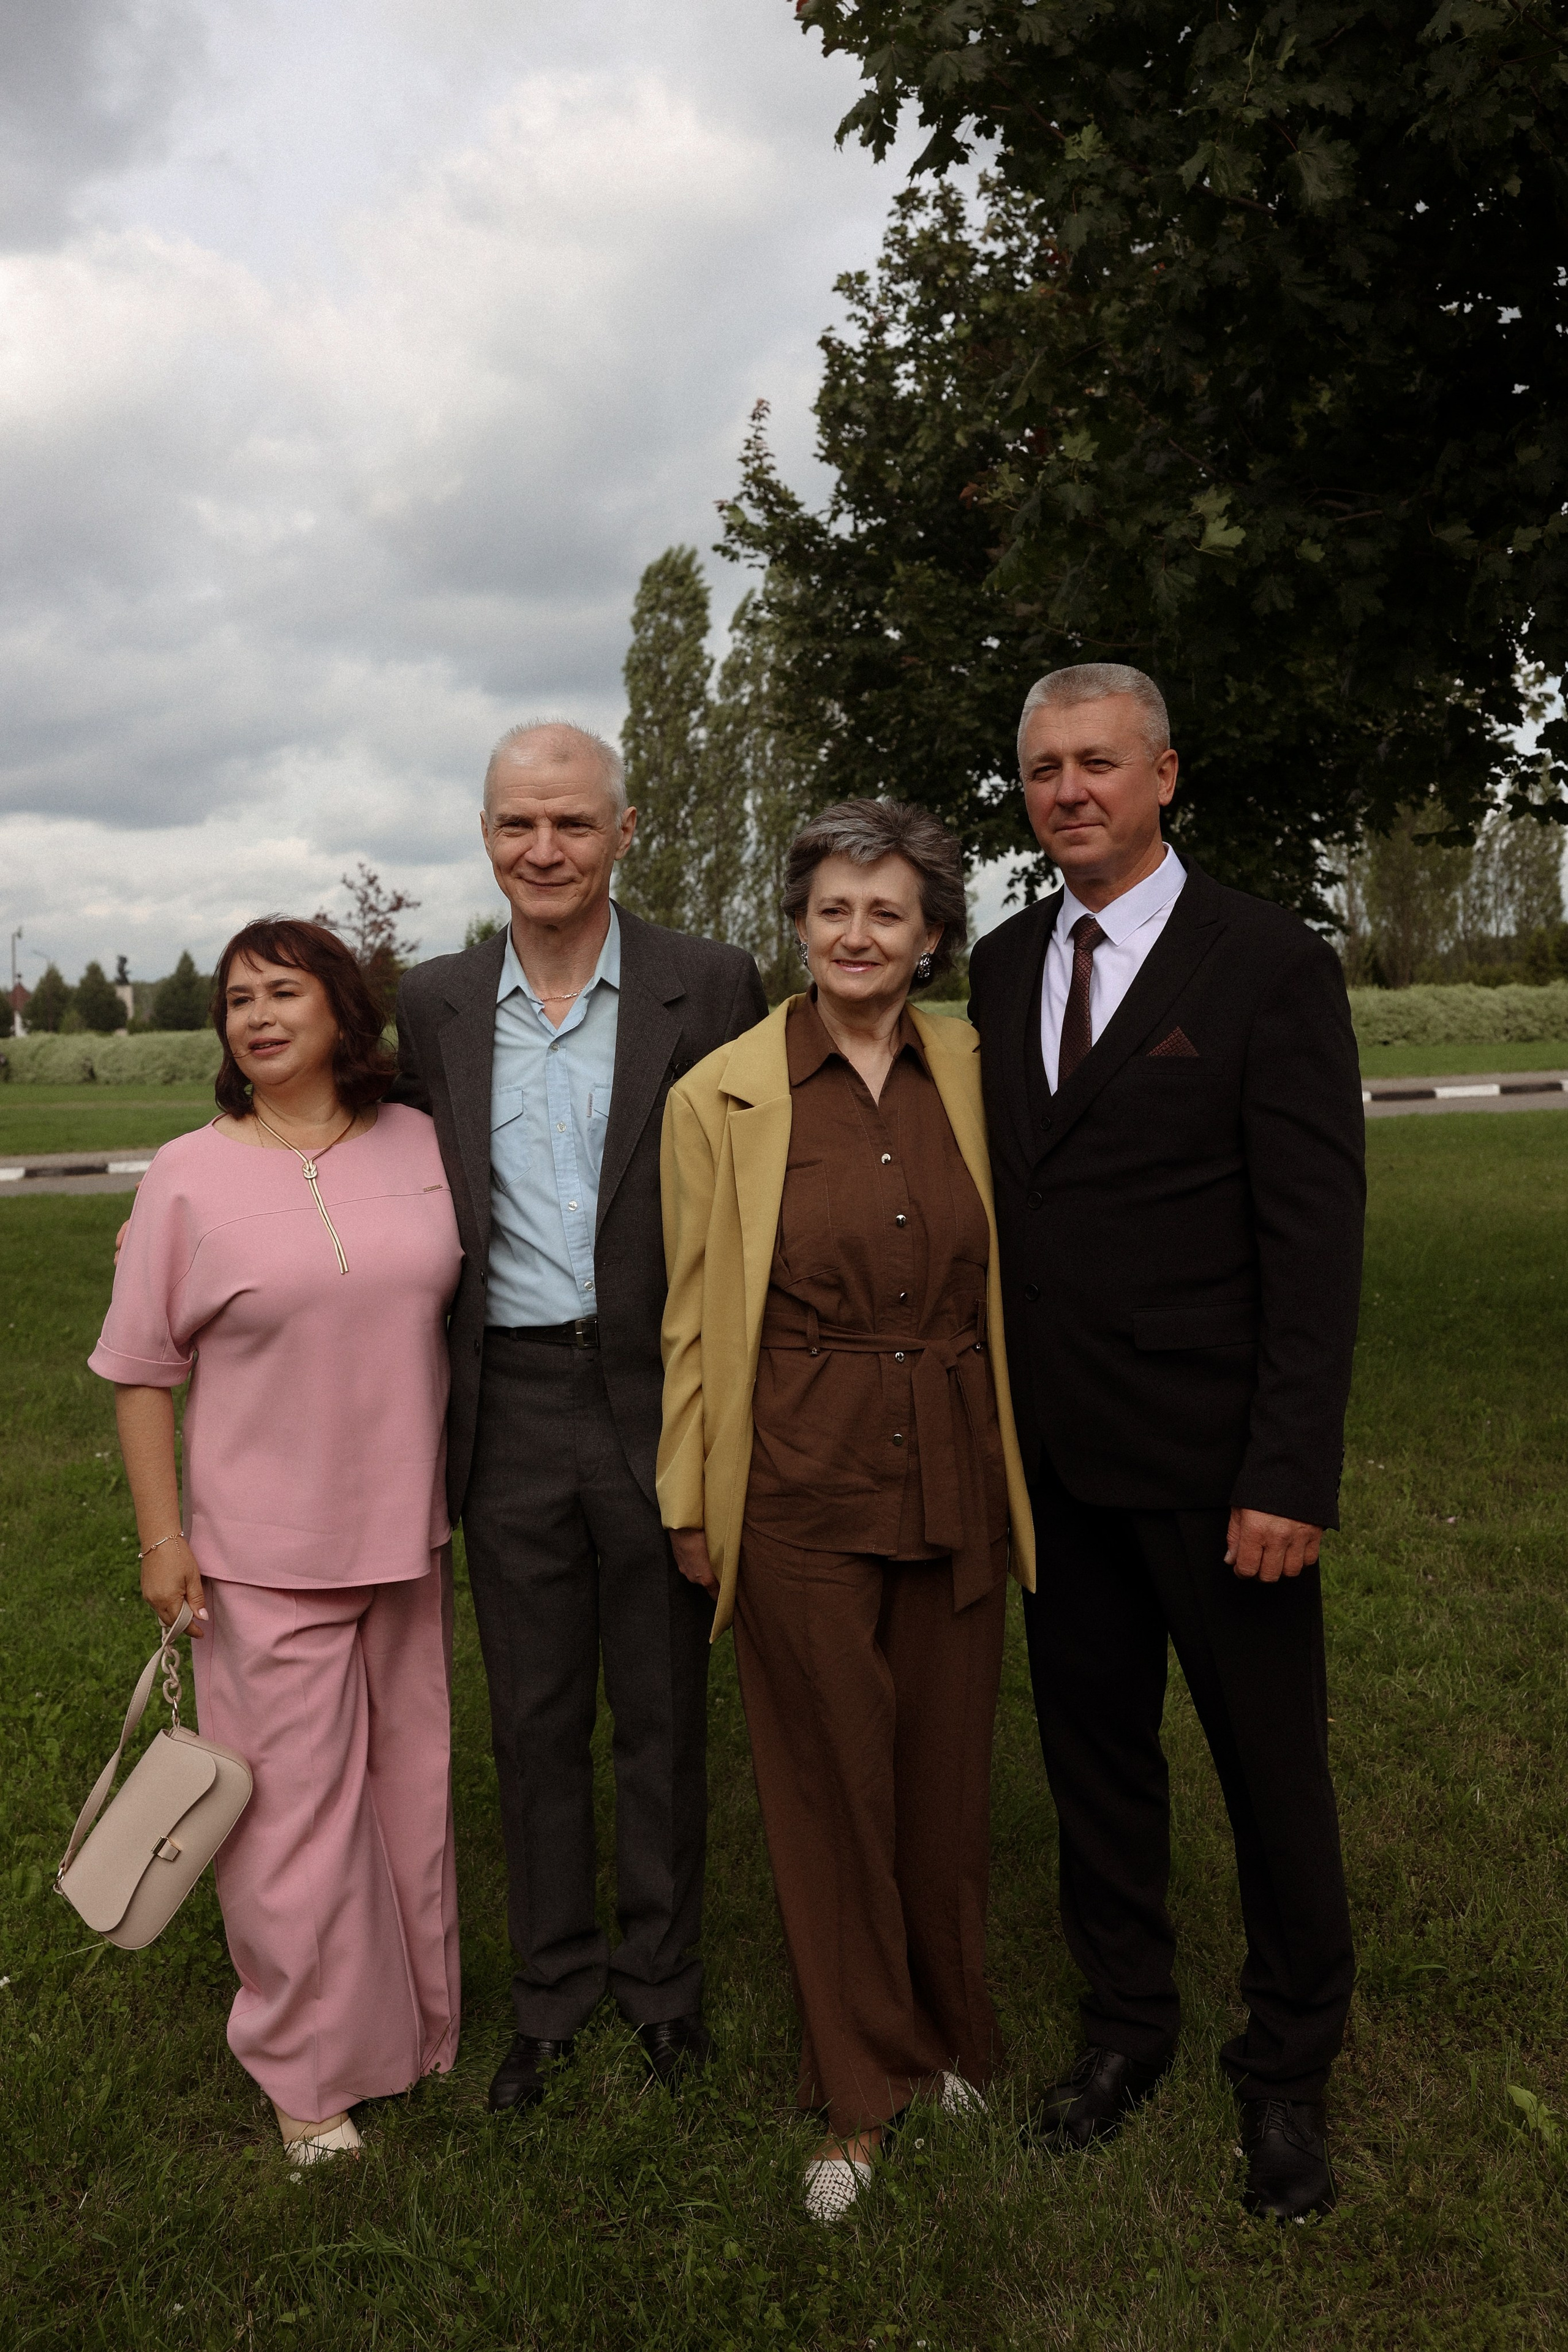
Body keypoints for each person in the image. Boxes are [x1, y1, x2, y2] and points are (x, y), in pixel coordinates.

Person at [966, 663, 1365, 2222]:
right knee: (1095, 1770)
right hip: (1056, 1464)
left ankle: (1286, 2069)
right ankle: (1124, 2029)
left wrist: (1287, 1470)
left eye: (1098, 765)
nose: (1069, 791)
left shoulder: (1263, 962)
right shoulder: (1002, 966)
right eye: (1045, 769)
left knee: (1271, 1774)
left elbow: (1313, 1240)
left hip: (1218, 1473)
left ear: (1163, 778)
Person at [658, 799, 1037, 2223]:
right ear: (798, 925)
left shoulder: (985, 1072)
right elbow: (693, 1317)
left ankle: (946, 2038)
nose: (856, 934)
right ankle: (855, 2088)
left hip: (953, 1459)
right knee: (828, 1781)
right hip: (797, 1474)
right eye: (831, 909)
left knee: (942, 1771)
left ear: (931, 933)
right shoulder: (725, 1092)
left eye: (886, 912)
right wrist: (690, 1496)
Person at [393, 721, 767, 2111]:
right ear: (485, 836)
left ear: (622, 832)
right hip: (504, 1406)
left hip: (657, 1397)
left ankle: (661, 1986)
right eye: (513, 826)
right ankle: (551, 1990)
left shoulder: (706, 985)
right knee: (535, 1718)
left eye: (568, 825)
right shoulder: (431, 1005)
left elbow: (754, 1195)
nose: (540, 851)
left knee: (664, 1715)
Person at [92, 919, 463, 2163]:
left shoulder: (421, 1142)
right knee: (290, 1830)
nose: (254, 1016)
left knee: (406, 1797)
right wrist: (162, 1537)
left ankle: (412, 2036)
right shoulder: (187, 1174)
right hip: (257, 1552)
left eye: (281, 992)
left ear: (341, 1014)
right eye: (236, 1001)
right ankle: (304, 2074)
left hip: (410, 1537)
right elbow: (141, 1373)